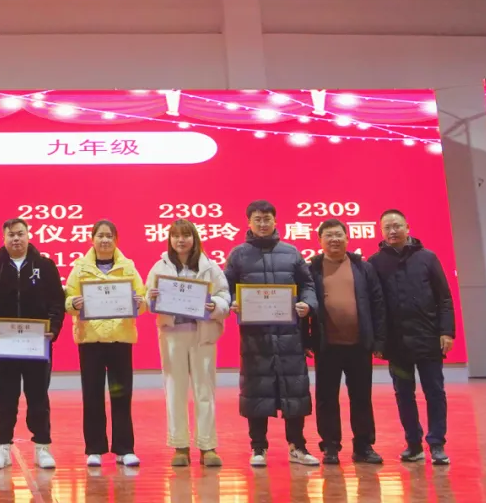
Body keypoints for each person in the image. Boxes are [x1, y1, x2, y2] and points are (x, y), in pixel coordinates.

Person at [224, 200, 320, 467]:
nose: (263, 224)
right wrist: (232, 301)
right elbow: (225, 287)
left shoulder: (291, 252)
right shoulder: (238, 254)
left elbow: (308, 285)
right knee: (257, 390)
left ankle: (297, 446)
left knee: (294, 390)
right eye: (257, 219)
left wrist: (308, 304)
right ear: (248, 222)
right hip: (255, 336)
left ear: (275, 221)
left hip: (290, 334)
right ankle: (258, 447)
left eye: (267, 219)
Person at [0, 218, 66, 471]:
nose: (16, 239)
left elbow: (57, 302)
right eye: (11, 235)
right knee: (5, 398)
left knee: (38, 396)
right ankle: (2, 448)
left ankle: (42, 448)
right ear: (3, 238)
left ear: (28, 236)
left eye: (20, 234)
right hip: (4, 345)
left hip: (36, 344)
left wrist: (53, 328)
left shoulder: (45, 266)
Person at [368, 209, 455, 466]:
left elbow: (444, 298)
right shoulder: (375, 263)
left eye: (397, 225)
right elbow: (375, 306)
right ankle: (413, 444)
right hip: (397, 344)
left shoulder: (427, 258)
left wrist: (446, 331)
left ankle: (437, 444)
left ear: (408, 227)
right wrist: (379, 341)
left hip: (429, 339)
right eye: (387, 227)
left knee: (435, 392)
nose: (392, 231)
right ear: (381, 232)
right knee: (403, 394)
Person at [145, 218, 230, 468]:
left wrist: (215, 304)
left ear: (195, 238)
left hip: (203, 334)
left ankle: (207, 446)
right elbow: (147, 300)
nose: (180, 240)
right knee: (175, 390)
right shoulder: (159, 267)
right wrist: (152, 298)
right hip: (172, 335)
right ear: (169, 240)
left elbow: (224, 295)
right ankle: (180, 446)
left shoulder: (210, 266)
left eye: (185, 235)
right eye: (175, 236)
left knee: (205, 391)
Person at [65, 219, 147, 468]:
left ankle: (124, 448)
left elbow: (143, 299)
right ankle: (95, 449)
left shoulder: (128, 267)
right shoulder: (80, 268)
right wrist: (73, 303)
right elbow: (67, 299)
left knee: (121, 395)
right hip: (90, 340)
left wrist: (139, 302)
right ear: (92, 239)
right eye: (100, 235)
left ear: (116, 240)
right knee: (92, 395)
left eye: (109, 236)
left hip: (120, 338)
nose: (104, 240)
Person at [304, 218, 386, 466]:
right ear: (320, 240)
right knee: (326, 398)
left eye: (338, 234)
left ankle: (364, 446)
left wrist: (379, 340)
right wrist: (305, 339)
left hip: (359, 344)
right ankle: (330, 446)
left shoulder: (363, 267)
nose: (334, 239)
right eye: (328, 235)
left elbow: (378, 304)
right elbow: (303, 304)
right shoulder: (312, 269)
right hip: (326, 345)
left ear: (347, 238)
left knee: (361, 397)